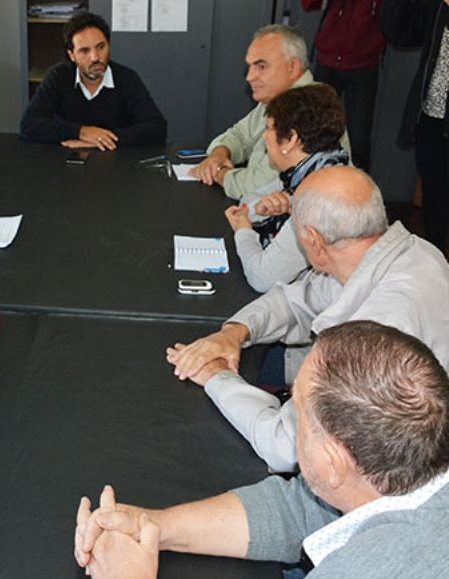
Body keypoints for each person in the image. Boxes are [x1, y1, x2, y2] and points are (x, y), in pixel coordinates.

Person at [76, 321, 449, 578]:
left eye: (296, 411)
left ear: (333, 462)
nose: (287, 418)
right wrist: (151, 526)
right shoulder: (396, 476)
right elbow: (300, 509)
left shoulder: (384, 565)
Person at [168, 166, 449, 472]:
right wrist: (235, 332)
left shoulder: (370, 342)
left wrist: (216, 377)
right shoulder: (410, 253)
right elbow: (295, 300)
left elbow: (284, 446)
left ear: (313, 242)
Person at [191, 24, 350, 200]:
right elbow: (239, 135)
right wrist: (219, 154)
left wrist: (218, 171)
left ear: (293, 67)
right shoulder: (276, 98)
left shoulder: (309, 109)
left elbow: (256, 188)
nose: (250, 77)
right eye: (249, 67)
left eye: (261, 66)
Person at [224, 84, 350, 292]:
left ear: (291, 139)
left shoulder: (319, 199)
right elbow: (246, 202)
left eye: (269, 128)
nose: (265, 137)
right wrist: (261, 208)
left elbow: (263, 278)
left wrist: (244, 231)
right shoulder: (310, 171)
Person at [19, 12, 167, 150]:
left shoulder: (126, 78)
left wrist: (100, 140)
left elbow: (157, 128)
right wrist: (81, 132)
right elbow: (29, 125)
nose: (95, 57)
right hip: (68, 165)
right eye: (85, 51)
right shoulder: (59, 77)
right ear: (71, 55)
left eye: (101, 47)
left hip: (118, 165)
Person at [382, 0, 449, 256]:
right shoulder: (438, 8)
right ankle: (434, 259)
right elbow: (399, 32)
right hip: (431, 116)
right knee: (433, 193)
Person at [301, 0, 386, 172]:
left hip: (363, 67)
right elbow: (308, 4)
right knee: (312, 130)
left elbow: (395, 20)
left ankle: (359, 194)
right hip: (327, 61)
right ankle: (307, 185)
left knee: (358, 140)